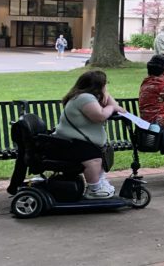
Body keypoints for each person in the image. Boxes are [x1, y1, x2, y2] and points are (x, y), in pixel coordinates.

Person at [52, 71, 126, 199]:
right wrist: (111, 108)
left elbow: (118, 107)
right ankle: (94, 189)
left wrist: (106, 94)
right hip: (70, 144)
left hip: (77, 142)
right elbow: (100, 116)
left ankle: (100, 183)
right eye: (105, 84)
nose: (106, 86)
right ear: (97, 86)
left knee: (100, 155)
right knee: (94, 160)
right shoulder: (84, 98)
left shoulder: (85, 96)